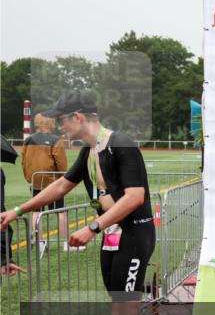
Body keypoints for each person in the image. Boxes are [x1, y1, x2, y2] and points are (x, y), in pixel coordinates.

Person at [0, 92, 155, 303]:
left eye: (61, 120)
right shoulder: (88, 150)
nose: (58, 127)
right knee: (118, 299)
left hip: (134, 232)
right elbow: (61, 186)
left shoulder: (121, 143)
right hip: (111, 232)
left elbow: (135, 197)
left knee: (125, 304)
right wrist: (18, 211)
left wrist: (92, 227)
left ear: (77, 117)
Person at [21, 113, 70, 245]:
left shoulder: (28, 140)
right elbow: (62, 164)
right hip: (52, 182)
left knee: (36, 211)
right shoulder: (55, 140)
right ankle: (67, 242)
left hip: (35, 180)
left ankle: (39, 242)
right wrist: (62, 178)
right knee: (60, 211)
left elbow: (23, 162)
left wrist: (29, 178)